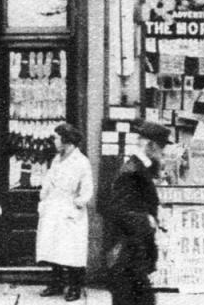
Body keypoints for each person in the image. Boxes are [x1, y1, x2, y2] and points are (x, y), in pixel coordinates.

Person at [102, 120, 172, 305]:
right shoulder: (132, 172)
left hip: (133, 253)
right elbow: (118, 210)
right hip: (127, 253)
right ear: (151, 145)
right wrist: (147, 219)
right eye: (162, 147)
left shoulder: (141, 168)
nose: (163, 152)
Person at [35, 122, 94, 301]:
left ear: (66, 140)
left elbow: (87, 190)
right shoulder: (56, 159)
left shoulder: (81, 162)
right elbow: (49, 180)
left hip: (70, 210)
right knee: (54, 247)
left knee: (71, 250)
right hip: (54, 207)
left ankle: (75, 287)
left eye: (56, 138)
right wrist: (44, 198)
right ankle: (57, 283)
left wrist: (76, 204)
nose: (54, 141)